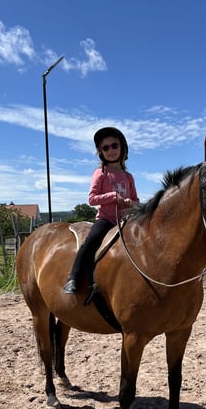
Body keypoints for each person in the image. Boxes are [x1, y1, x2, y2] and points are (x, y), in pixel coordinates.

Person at [63, 126, 139, 294]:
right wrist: (112, 196)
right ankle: (73, 278)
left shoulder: (128, 177)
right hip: (106, 220)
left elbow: (136, 200)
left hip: (125, 221)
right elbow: (92, 199)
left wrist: (130, 203)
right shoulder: (100, 173)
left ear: (122, 148)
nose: (110, 150)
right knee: (91, 241)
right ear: (100, 151)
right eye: (105, 147)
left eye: (114, 145)